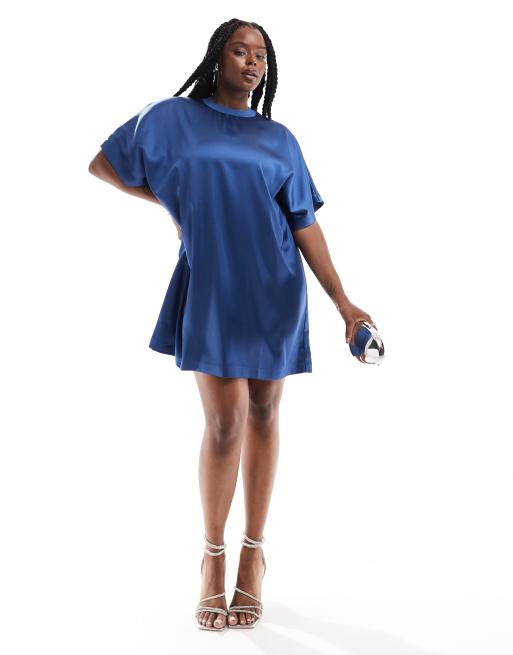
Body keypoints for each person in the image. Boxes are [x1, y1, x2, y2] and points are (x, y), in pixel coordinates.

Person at [89, 18, 374, 631]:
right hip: (212, 286)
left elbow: (304, 223)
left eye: (261, 56)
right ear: (217, 57)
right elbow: (104, 164)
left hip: (275, 288)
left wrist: (344, 303)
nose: (252, 62)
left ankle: (253, 554)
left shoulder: (279, 139)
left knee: (265, 415)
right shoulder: (171, 118)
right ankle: (212, 557)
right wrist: (174, 201)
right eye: (241, 51)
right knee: (225, 423)